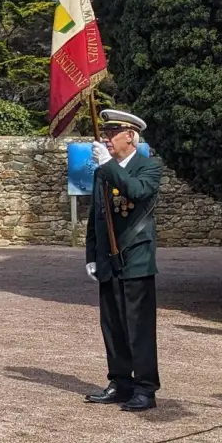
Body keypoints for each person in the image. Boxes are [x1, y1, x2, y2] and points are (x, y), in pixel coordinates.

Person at [83, 110, 163, 413]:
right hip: (107, 260)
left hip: (136, 259)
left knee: (138, 327)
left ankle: (145, 388)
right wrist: (91, 256)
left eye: (112, 133)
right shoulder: (103, 171)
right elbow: (97, 217)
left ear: (130, 136)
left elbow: (137, 191)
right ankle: (120, 382)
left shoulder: (149, 167)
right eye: (105, 133)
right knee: (113, 326)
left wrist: (107, 165)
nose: (106, 138)